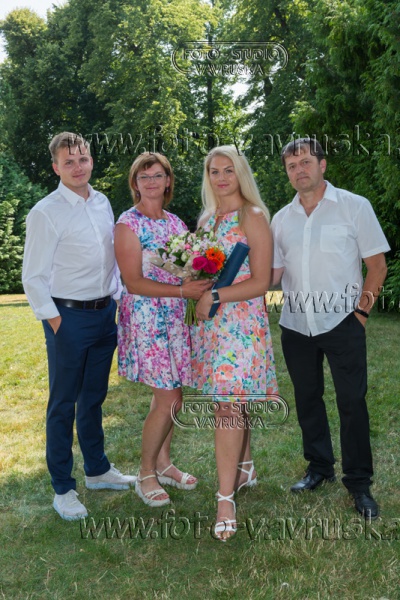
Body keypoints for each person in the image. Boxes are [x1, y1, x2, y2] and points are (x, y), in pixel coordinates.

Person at [271, 137, 390, 518]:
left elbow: (377, 266)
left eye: (306, 162)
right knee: (308, 399)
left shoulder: (355, 207)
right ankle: (319, 467)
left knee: (352, 402)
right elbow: (272, 275)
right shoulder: (280, 219)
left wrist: (361, 314)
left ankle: (359, 483)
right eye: (292, 166)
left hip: (343, 322)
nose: (299, 170)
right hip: (295, 325)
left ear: (322, 165)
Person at [22, 132, 136, 521]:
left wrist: (116, 298)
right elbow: (33, 276)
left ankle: (98, 470)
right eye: (68, 161)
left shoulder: (102, 202)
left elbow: (109, 258)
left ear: (91, 161)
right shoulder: (45, 212)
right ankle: (63, 488)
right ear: (56, 167)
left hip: (104, 315)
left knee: (93, 398)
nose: (77, 167)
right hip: (67, 318)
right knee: (63, 404)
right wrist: (56, 323)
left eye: (83, 159)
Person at [191, 145, 278, 541]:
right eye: (214, 171)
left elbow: (262, 281)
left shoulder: (252, 216)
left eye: (228, 170)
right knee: (232, 402)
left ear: (240, 173)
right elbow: (202, 269)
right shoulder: (207, 219)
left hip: (242, 325)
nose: (221, 178)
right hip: (212, 326)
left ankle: (225, 500)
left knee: (228, 406)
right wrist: (194, 284)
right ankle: (245, 468)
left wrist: (217, 295)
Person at [114, 152, 211, 507]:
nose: (151, 182)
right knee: (171, 398)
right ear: (135, 183)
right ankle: (145, 474)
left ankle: (164, 463)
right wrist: (184, 291)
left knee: (168, 394)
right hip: (147, 320)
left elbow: (182, 269)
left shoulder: (175, 223)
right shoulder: (127, 224)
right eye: (144, 177)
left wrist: (201, 275)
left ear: (168, 180)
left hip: (174, 317)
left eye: (157, 175)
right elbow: (133, 282)